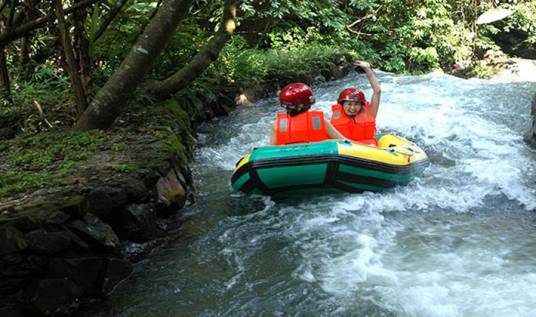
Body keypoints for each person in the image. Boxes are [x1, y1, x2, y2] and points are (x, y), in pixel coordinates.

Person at [270, 83, 346, 145]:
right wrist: (329, 142)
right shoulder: (319, 121)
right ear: (308, 104)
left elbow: (271, 150)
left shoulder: (277, 124)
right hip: (319, 159)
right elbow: (343, 141)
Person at [330, 61, 381, 146]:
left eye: (356, 104)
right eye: (349, 104)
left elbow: (377, 91)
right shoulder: (335, 118)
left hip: (369, 151)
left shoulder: (370, 113)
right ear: (342, 105)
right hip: (345, 151)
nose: (353, 108)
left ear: (361, 105)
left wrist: (367, 69)